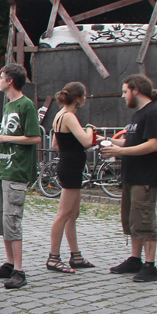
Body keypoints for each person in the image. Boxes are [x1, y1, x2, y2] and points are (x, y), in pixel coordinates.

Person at [100, 73, 157, 283]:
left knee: (144, 221)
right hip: (132, 176)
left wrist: (119, 153)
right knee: (132, 220)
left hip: (145, 176)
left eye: (125, 91)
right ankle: (135, 259)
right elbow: (131, 143)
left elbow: (153, 144)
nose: (123, 96)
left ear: (135, 90)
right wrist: (108, 142)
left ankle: (150, 266)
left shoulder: (154, 113)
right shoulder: (138, 115)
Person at [0, 63, 42, 289]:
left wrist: (4, 139)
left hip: (17, 170)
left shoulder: (26, 106)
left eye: (1, 77)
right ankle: (8, 263)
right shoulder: (8, 105)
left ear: (10, 81)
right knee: (2, 219)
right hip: (1, 168)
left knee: (13, 218)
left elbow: (34, 138)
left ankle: (19, 269)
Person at [46, 81, 97, 274]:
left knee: (72, 214)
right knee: (63, 214)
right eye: (84, 96)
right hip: (70, 167)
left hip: (69, 165)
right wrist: (90, 128)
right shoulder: (69, 116)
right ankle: (53, 257)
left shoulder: (59, 115)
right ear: (78, 99)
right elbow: (86, 141)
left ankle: (75, 255)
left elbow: (55, 145)